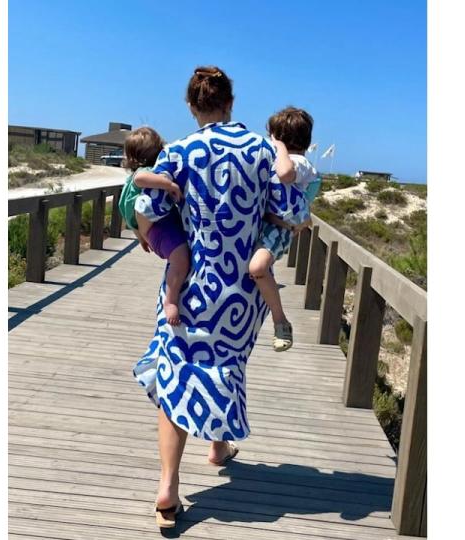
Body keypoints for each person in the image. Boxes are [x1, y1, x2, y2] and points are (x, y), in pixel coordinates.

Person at [130, 66, 307, 529]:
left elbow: (147, 206)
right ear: (231, 102)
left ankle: (168, 488)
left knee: (177, 376)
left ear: (192, 107)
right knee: (224, 366)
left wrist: (158, 238)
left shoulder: (180, 151)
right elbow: (291, 210)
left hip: (190, 285)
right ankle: (218, 446)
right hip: (240, 293)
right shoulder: (262, 149)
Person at [248, 106, 321, 351]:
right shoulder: (280, 160)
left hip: (279, 230)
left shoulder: (299, 163)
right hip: (269, 223)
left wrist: (278, 147)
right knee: (256, 269)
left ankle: (281, 321)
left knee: (258, 268)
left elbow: (286, 174)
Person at [118, 127, 189, 325]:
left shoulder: (138, 177)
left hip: (151, 226)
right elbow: (140, 179)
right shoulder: (145, 173)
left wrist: (140, 236)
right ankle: (171, 300)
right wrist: (170, 185)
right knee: (181, 260)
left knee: (181, 258)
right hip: (158, 227)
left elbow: (126, 211)